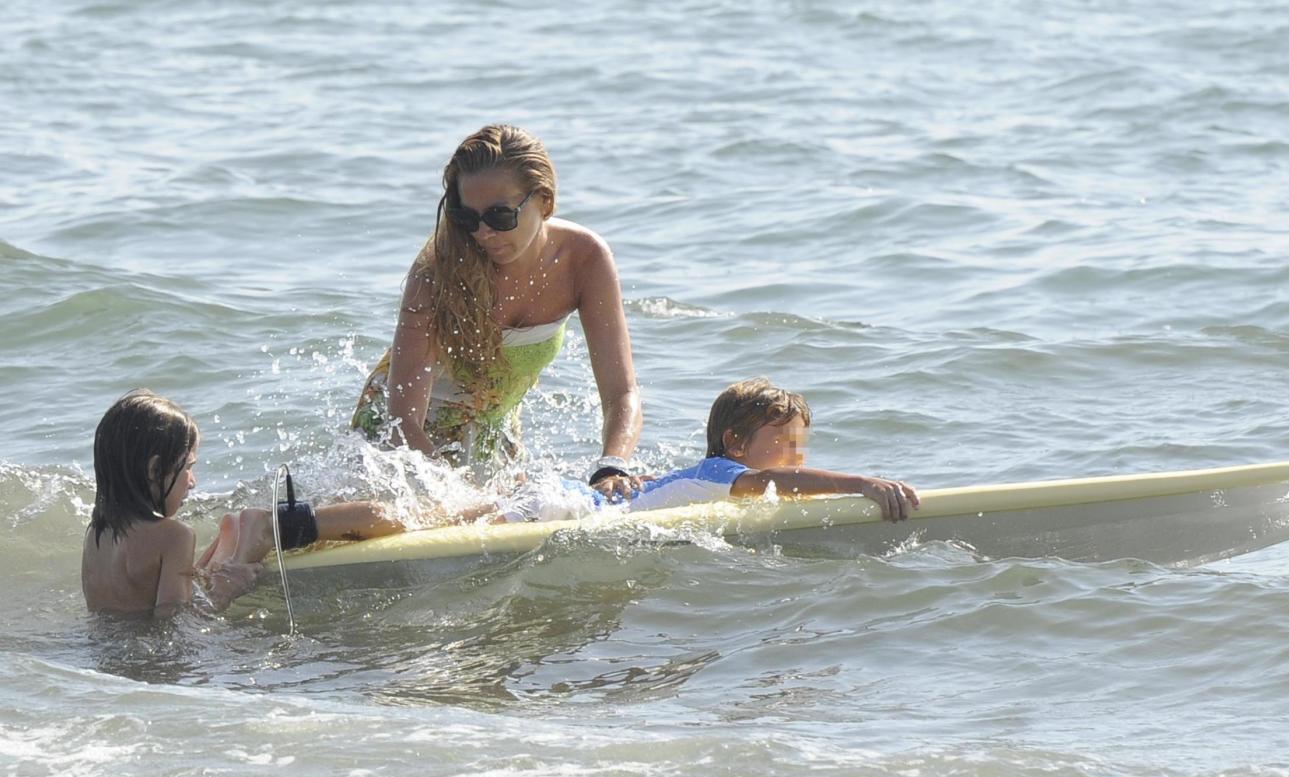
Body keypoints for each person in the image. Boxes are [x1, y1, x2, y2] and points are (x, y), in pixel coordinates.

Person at [352, 123, 644, 496]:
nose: (483, 233)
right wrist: (461, 493)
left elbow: (622, 393)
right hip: (400, 442)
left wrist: (611, 466)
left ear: (545, 201)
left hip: (490, 437)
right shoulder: (434, 273)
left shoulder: (585, 260)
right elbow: (403, 422)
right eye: (467, 218)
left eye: (499, 216)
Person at [81, 390, 405, 618]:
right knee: (384, 517)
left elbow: (132, 614)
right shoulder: (173, 535)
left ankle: (246, 536)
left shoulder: (97, 532)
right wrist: (226, 593)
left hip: (123, 662)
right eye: (189, 467)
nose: (192, 481)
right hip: (158, 664)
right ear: (154, 470)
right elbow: (175, 625)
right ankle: (255, 532)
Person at [501, 378, 919, 523]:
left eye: (801, 448)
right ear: (735, 443)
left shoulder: (713, 479)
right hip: (564, 503)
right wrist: (861, 484)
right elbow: (772, 480)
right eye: (785, 444)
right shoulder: (721, 472)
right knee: (462, 525)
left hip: (570, 500)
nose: (797, 459)